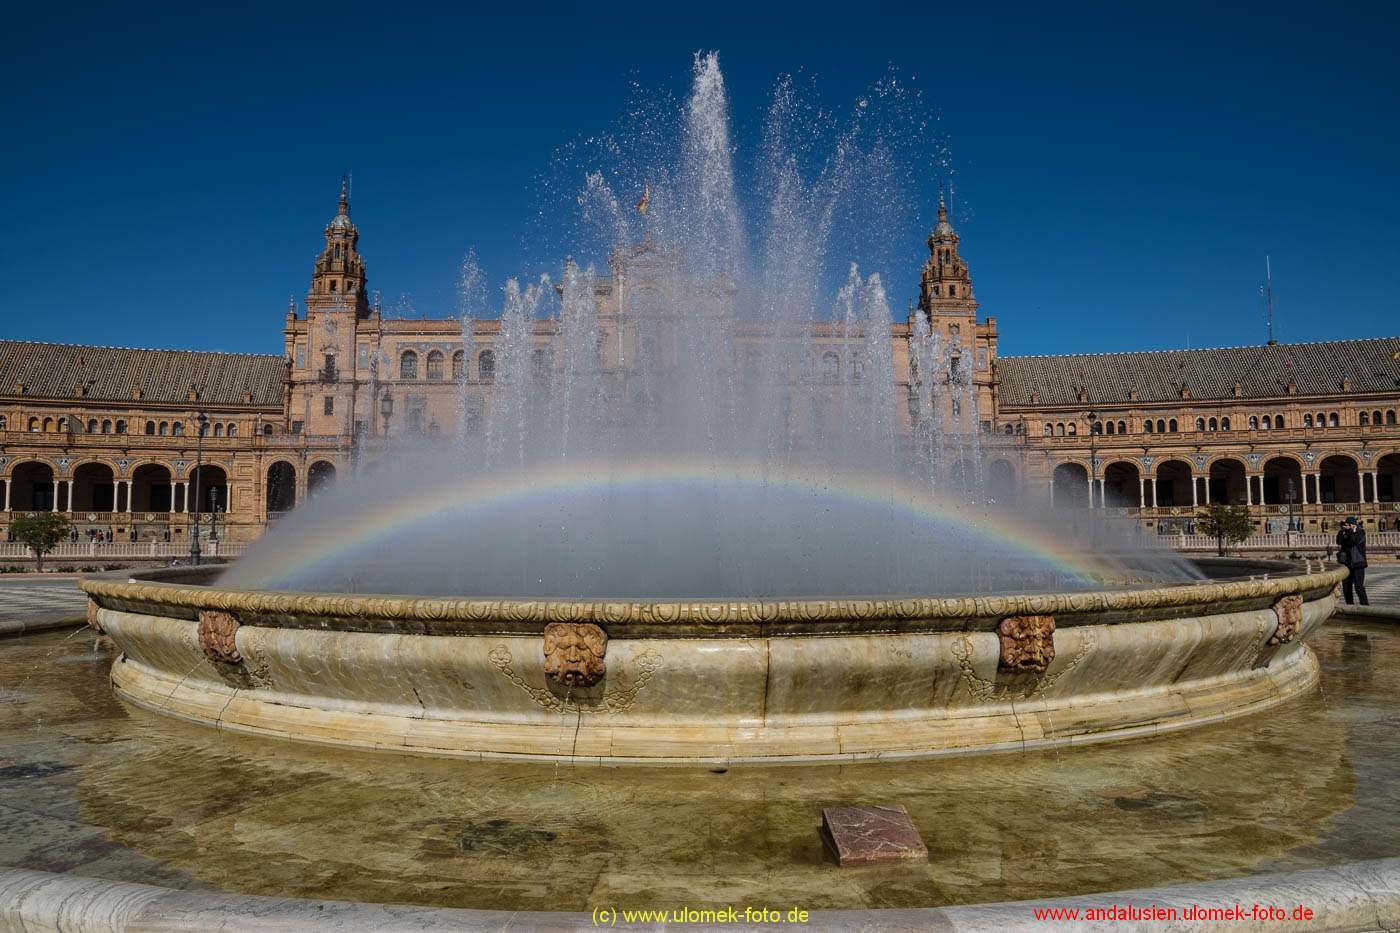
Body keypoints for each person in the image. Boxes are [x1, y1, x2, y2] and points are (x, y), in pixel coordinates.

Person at [1336, 516, 1369, 606]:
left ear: (1352, 525)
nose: (1346, 526)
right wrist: (1341, 531)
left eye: (1347, 524)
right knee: (1346, 588)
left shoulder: (1360, 532)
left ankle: (1365, 605)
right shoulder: (1345, 533)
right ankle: (1349, 605)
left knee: (1359, 587)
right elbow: (1339, 541)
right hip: (1346, 564)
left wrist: (1350, 531)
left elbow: (1354, 540)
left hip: (1358, 563)